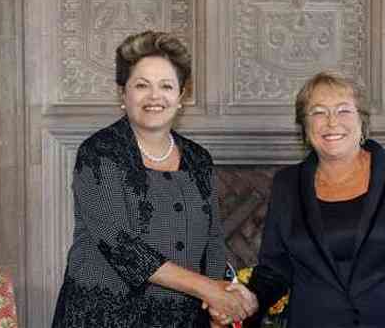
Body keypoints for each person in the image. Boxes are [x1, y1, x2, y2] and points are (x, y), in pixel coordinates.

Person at [52, 31, 257, 328]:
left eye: (166, 86)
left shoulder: (199, 159)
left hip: (181, 319)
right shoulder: (99, 152)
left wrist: (218, 302)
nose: (154, 96)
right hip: (102, 317)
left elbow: (212, 241)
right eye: (141, 85)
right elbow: (120, 245)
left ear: (181, 95)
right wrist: (208, 289)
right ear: (123, 94)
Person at [246, 71, 385, 328]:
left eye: (343, 110)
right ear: (305, 126)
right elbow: (274, 269)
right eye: (318, 112)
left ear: (361, 120)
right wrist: (246, 301)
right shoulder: (286, 185)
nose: (332, 122)